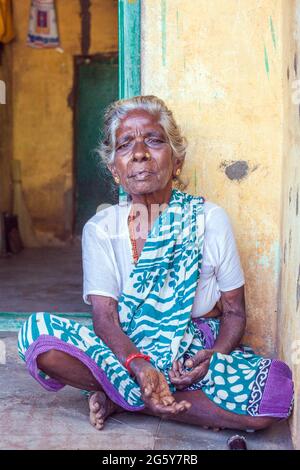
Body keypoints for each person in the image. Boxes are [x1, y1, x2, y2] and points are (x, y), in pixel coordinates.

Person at [18, 95, 294, 432]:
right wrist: (139, 365)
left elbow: (235, 312)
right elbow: (105, 319)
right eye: (125, 145)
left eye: (153, 140)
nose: (139, 153)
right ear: (114, 169)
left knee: (274, 393)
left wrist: (214, 358)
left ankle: (127, 400)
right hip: (127, 351)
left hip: (190, 355)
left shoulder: (209, 219)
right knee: (36, 335)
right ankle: (154, 397)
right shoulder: (101, 229)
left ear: (177, 161)